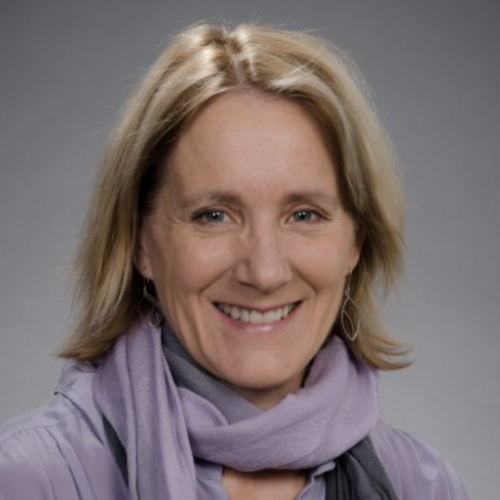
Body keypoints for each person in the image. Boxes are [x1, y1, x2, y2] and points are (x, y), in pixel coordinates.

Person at [0, 23, 469, 500]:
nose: (263, 272)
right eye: (214, 215)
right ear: (140, 241)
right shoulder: (32, 480)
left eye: (304, 214)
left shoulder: (420, 485)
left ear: (355, 241)